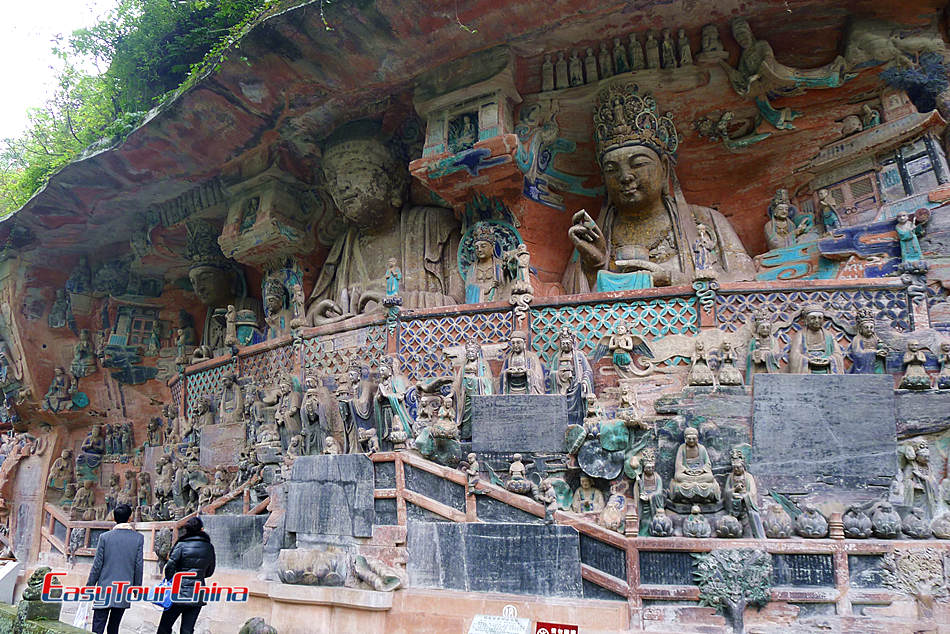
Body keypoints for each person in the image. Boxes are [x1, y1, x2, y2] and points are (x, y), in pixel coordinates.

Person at [86, 504, 143, 634]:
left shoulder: (105, 537)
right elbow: (138, 565)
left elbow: (97, 565)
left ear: (114, 518)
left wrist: (89, 586)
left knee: (97, 626)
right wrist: (137, 587)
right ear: (130, 518)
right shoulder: (138, 538)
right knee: (114, 627)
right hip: (123, 589)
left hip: (104, 589)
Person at [158, 516, 216, 634]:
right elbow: (210, 571)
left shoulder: (181, 545)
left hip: (178, 593)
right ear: (202, 529)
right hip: (197, 594)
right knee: (187, 630)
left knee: (164, 627)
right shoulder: (209, 547)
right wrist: (198, 575)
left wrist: (171, 580)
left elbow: (169, 567)